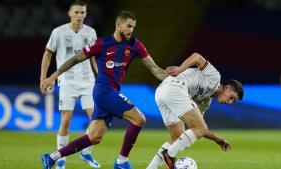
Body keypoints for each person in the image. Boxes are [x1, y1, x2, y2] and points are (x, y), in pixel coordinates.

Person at [40, 11, 166, 169]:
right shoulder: (102, 43)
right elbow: (74, 59)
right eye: (128, 26)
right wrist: (53, 76)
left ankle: (52, 157)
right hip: (103, 91)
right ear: (118, 25)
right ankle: (121, 161)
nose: (131, 30)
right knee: (139, 119)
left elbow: (155, 69)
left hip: (111, 91)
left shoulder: (135, 44)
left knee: (94, 137)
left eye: (133, 27)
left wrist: (175, 82)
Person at [146, 53, 244, 169]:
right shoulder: (214, 77)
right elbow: (197, 57)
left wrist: (217, 139)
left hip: (162, 92)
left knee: (177, 137)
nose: (230, 102)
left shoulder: (205, 101)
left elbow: (198, 130)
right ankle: (169, 154)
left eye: (233, 101)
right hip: (174, 87)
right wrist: (179, 69)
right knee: (199, 128)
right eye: (231, 97)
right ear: (227, 88)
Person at [39, 0, 100, 168]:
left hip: (88, 81)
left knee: (96, 120)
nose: (79, 15)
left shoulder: (91, 32)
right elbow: (47, 54)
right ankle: (60, 158)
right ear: (70, 13)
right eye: (77, 12)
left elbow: (94, 58)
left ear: (86, 14)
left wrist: (100, 76)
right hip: (67, 81)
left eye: (82, 12)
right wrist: (43, 78)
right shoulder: (58, 32)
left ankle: (86, 153)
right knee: (66, 120)